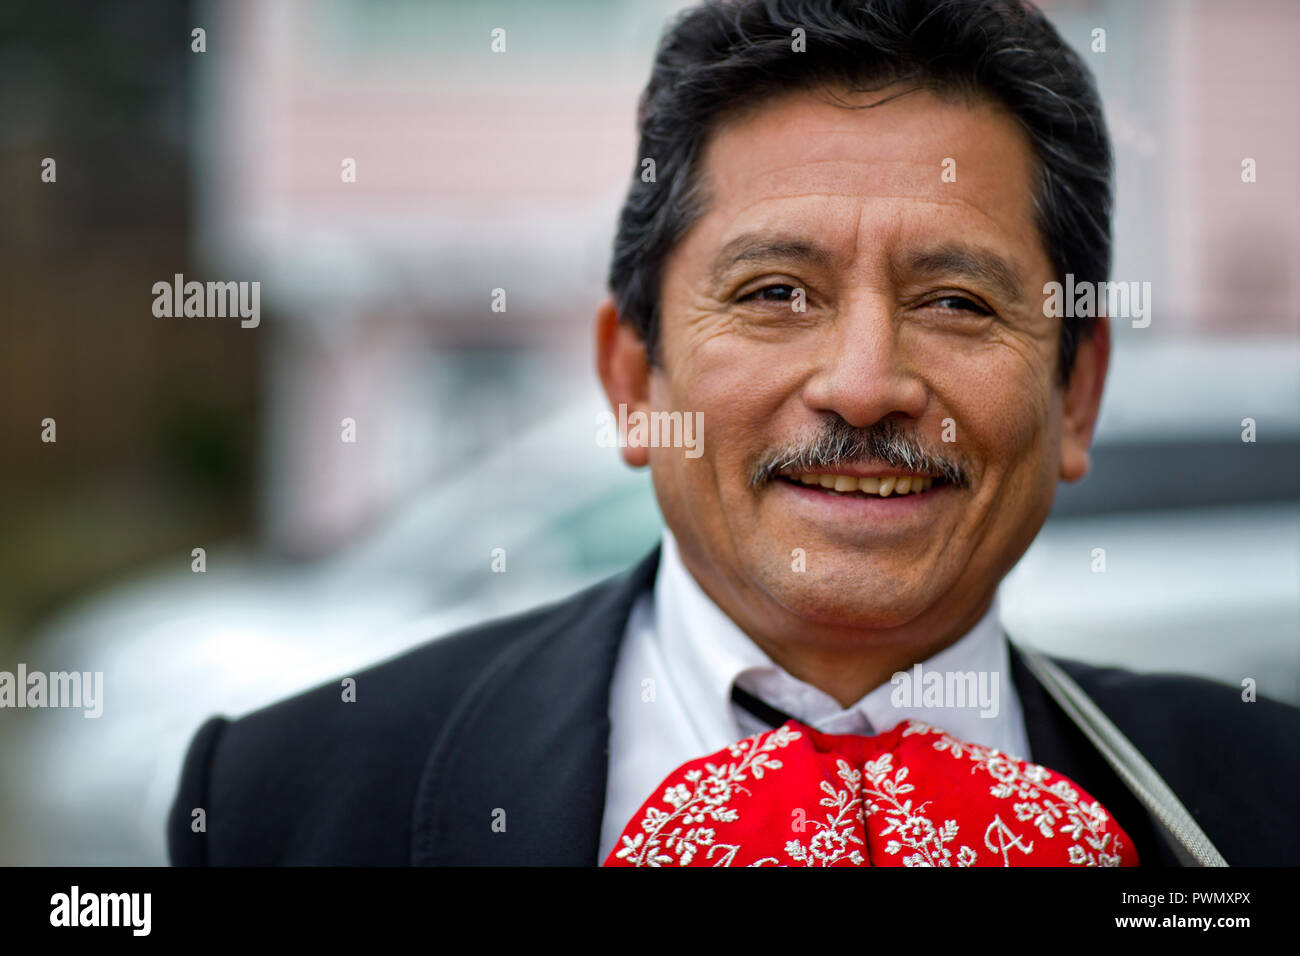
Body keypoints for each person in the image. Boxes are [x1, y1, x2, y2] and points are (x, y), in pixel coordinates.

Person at [168, 0, 1300, 867]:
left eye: (956, 302)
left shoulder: (1259, 798)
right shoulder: (293, 795)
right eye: (772, 293)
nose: (864, 386)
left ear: (1077, 391)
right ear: (630, 375)